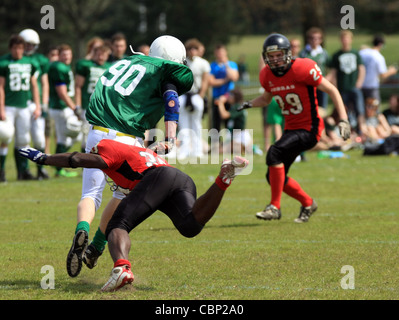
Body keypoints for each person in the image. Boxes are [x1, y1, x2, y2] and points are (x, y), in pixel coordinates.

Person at [19, 139, 249, 291]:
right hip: (180, 178)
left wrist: (44, 158)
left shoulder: (107, 147)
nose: (94, 155)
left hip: (159, 177)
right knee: (190, 225)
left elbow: (78, 159)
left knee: (117, 225)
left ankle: (122, 268)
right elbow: (144, 157)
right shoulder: (138, 151)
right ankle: (223, 179)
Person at [66, 35, 194, 279]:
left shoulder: (126, 63)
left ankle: (82, 228)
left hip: (97, 133)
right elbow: (171, 100)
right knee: (120, 194)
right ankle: (97, 246)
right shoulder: (165, 74)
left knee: (90, 194)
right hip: (126, 140)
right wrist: (169, 136)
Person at [239, 33, 351, 223]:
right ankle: (308, 203)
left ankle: (274, 207)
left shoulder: (303, 68)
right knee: (273, 176)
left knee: (273, 153)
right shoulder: (267, 75)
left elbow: (332, 89)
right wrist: (249, 104)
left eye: (279, 55)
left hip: (310, 128)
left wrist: (344, 119)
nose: (275, 59)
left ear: (288, 54)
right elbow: (266, 99)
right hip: (291, 129)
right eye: (271, 56)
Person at [0, 34, 41, 182]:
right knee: (6, 137)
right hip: (9, 107)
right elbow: (1, 87)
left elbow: (34, 85)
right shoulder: (4, 63)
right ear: (11, 48)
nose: (18, 51)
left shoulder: (29, 62)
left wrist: (37, 105)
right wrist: (1, 108)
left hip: (24, 106)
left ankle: (23, 172)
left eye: (20, 48)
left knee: (23, 140)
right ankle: (1, 171)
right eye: (15, 48)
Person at [19, 28, 50, 180]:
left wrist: (44, 102)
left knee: (39, 138)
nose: (29, 47)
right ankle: (23, 170)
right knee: (22, 137)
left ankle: (41, 169)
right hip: (23, 102)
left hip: (36, 103)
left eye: (32, 44)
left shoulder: (41, 60)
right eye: (26, 44)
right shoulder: (16, 58)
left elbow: (44, 82)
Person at [48, 44, 80, 178]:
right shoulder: (58, 67)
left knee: (67, 138)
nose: (67, 57)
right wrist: (73, 107)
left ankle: (58, 166)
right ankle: (57, 166)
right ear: (59, 55)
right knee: (70, 135)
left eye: (69, 54)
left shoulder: (64, 67)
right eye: (64, 54)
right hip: (61, 107)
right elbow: (61, 92)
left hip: (62, 107)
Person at [177, 38, 210, 159]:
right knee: (183, 123)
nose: (192, 51)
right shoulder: (182, 62)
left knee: (196, 123)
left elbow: (205, 80)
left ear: (198, 50)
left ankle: (197, 150)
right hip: (184, 95)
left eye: (194, 48)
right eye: (190, 49)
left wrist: (201, 95)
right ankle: (184, 150)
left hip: (196, 94)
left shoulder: (203, 63)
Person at [75, 44, 111, 152]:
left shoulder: (110, 67)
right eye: (98, 54)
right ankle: (84, 163)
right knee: (86, 137)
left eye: (103, 55)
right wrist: (78, 105)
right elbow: (78, 86)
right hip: (88, 105)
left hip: (103, 108)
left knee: (102, 137)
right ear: (93, 54)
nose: (100, 57)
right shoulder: (86, 65)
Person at [328, 30, 366, 135]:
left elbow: (362, 69)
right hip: (343, 87)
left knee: (359, 109)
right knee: (343, 111)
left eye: (347, 38)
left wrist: (359, 82)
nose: (345, 41)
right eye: (343, 38)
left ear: (351, 40)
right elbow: (333, 73)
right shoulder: (337, 55)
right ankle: (346, 131)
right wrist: (334, 87)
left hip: (354, 87)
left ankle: (361, 131)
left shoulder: (355, 54)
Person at [208, 44, 239, 151]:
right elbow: (211, 81)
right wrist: (225, 80)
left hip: (229, 98)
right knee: (216, 123)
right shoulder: (213, 66)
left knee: (229, 122)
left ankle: (230, 144)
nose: (220, 55)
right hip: (217, 98)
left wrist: (226, 65)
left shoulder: (232, 64)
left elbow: (234, 77)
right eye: (218, 52)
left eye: (222, 52)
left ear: (225, 52)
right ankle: (215, 146)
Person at [359, 35, 398, 103]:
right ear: (380, 44)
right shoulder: (379, 56)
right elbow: (383, 74)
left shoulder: (362, 52)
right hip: (371, 86)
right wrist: (392, 71)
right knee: (375, 109)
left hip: (360, 85)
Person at [299, 27, 330, 111]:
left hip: (322, 84)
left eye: (317, 38)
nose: (315, 40)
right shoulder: (303, 53)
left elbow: (330, 68)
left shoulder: (324, 53)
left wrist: (327, 79)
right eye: (312, 38)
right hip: (309, 85)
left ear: (321, 40)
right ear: (308, 39)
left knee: (323, 109)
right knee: (310, 109)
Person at [217, 88, 252, 155]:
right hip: (234, 137)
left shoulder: (238, 107)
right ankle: (245, 148)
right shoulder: (233, 106)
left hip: (240, 137)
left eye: (230, 95)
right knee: (218, 148)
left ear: (235, 97)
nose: (228, 97)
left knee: (220, 150)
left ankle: (246, 147)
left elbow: (224, 115)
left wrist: (220, 103)